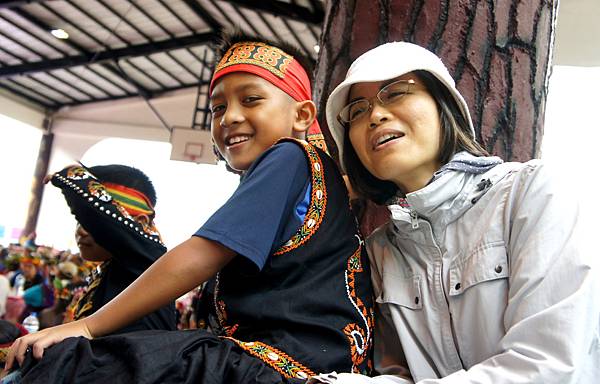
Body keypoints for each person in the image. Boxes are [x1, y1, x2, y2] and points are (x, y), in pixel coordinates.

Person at [3, 33, 374, 384]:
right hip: (304, 367)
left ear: (302, 116)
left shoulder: (288, 157)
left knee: (70, 363)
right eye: (217, 107)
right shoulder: (313, 173)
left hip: (280, 368)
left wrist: (85, 326)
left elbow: (202, 253)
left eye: (251, 99)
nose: (228, 117)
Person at [307, 41, 600, 384]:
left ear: (443, 105)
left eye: (396, 92)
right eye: (357, 111)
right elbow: (397, 373)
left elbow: (550, 366)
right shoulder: (379, 252)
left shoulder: (530, 192)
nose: (375, 115)